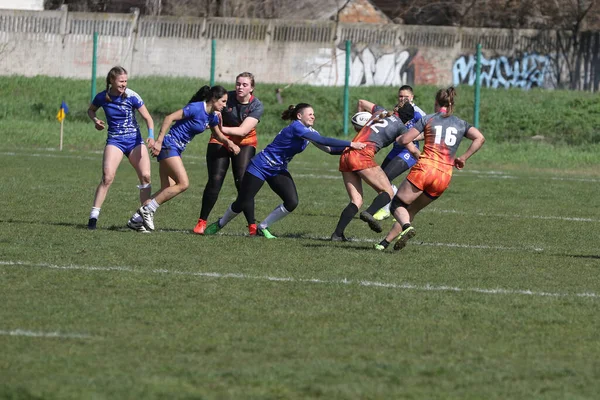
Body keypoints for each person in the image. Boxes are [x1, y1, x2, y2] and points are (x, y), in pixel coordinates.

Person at [203, 103, 366, 238]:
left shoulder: (310, 132)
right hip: (260, 166)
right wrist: (351, 144)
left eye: (313, 114)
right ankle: (220, 223)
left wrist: (352, 150)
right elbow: (323, 140)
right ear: (299, 116)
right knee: (242, 202)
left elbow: (329, 149)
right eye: (309, 114)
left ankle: (263, 226)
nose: (313, 116)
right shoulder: (297, 128)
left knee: (292, 202)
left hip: (277, 170)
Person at [374, 87, 485, 251]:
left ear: (436, 103)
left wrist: (400, 137)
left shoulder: (428, 119)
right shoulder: (461, 124)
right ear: (452, 103)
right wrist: (463, 157)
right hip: (444, 176)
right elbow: (480, 138)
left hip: (425, 169)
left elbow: (405, 139)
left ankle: (406, 227)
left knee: (396, 204)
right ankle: (385, 243)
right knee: (411, 209)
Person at [128, 85, 240, 232]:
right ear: (213, 99)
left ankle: (136, 219)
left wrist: (230, 143)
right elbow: (169, 118)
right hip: (169, 145)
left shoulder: (212, 116)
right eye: (223, 101)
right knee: (183, 183)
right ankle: (148, 210)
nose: (225, 105)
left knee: (167, 188)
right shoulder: (195, 108)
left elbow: (218, 135)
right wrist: (159, 142)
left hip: (176, 149)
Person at [330, 99, 417, 242]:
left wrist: (360, 116)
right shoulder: (402, 127)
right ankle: (369, 213)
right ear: (408, 120)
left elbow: (363, 102)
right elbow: (413, 150)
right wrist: (426, 159)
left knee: (356, 200)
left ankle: (337, 234)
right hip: (361, 156)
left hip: (347, 154)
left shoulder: (380, 111)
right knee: (388, 192)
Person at [194, 72, 264, 236]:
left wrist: (218, 127)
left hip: (244, 142)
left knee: (243, 182)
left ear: (251, 88)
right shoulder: (226, 98)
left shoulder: (257, 106)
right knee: (215, 179)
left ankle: (252, 226)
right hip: (220, 140)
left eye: (244, 85)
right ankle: (201, 222)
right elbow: (209, 110)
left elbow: (242, 131)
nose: (240, 87)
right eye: (238, 84)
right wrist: (212, 117)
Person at [86, 66, 154, 230]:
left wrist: (151, 135)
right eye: (121, 81)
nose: (124, 84)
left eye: (126, 81)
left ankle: (144, 217)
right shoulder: (103, 97)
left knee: (145, 176)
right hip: (115, 140)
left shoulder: (131, 96)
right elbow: (91, 110)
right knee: (107, 177)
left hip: (134, 141)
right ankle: (93, 217)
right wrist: (95, 121)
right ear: (111, 81)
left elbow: (147, 118)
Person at [359, 85, 427, 222]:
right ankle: (396, 206)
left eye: (406, 96)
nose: (403, 98)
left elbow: (427, 131)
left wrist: (410, 138)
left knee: (386, 177)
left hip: (408, 151)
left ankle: (388, 209)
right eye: (400, 96)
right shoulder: (398, 108)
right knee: (382, 179)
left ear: (412, 97)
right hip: (396, 149)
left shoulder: (417, 112)